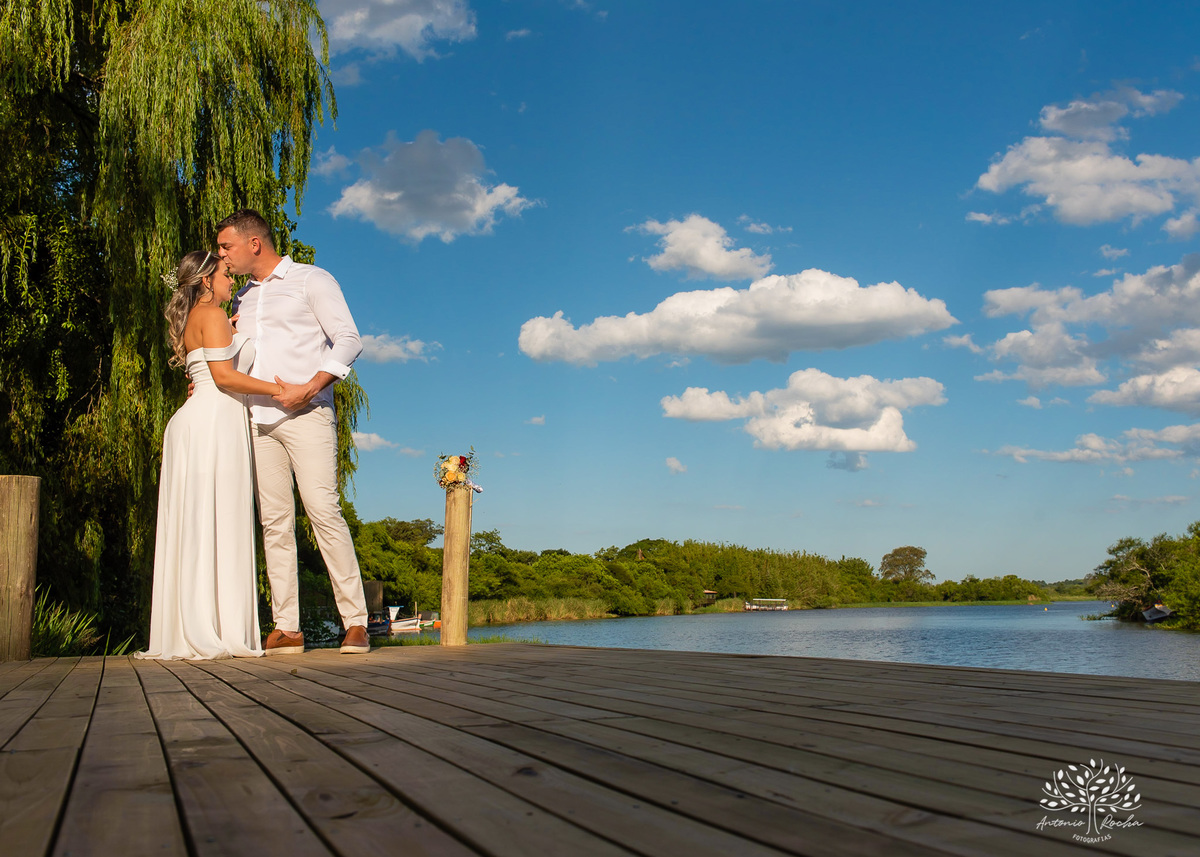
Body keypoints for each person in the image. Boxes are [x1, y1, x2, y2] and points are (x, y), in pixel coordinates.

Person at [216, 209, 370, 655]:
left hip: (308, 415)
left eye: (227, 246)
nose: (222, 255)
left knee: (324, 511)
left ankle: (355, 622)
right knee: (274, 524)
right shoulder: (241, 299)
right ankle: (288, 627)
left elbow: (349, 339)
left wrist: (311, 387)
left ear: (254, 244)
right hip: (258, 422)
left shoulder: (311, 280)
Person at [140, 251, 287, 659]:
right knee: (218, 519)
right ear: (206, 280)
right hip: (214, 424)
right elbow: (223, 377)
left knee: (198, 524)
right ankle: (218, 627)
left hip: (194, 423)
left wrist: (233, 333)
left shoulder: (198, 319)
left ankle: (194, 623)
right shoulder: (215, 315)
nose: (230, 280)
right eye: (224, 274)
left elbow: (210, 366)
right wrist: (280, 389)